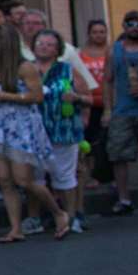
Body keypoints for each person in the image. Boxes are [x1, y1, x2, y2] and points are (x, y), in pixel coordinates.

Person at [0, 22, 69, 242]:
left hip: (21, 127)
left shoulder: (25, 67)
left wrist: (5, 96)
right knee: (4, 180)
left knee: (24, 180)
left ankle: (59, 213)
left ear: (5, 43)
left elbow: (37, 96)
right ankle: (15, 228)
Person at [35, 29, 94, 234]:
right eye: (40, 43)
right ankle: (43, 217)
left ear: (57, 49)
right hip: (34, 133)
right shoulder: (27, 69)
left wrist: (77, 99)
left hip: (63, 130)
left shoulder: (67, 70)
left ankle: (70, 217)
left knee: (65, 176)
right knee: (36, 178)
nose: (44, 46)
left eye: (49, 44)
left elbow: (89, 98)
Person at [107, 11, 138, 215]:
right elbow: (107, 80)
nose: (136, 28)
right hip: (122, 110)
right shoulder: (115, 51)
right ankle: (124, 199)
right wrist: (106, 109)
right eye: (131, 24)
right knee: (119, 155)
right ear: (123, 25)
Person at [80, 19, 111, 196]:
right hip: (89, 102)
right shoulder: (81, 53)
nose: (98, 35)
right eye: (95, 32)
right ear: (89, 34)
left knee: (109, 141)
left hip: (108, 102)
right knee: (89, 141)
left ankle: (109, 176)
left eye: (102, 32)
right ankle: (90, 176)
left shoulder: (112, 51)